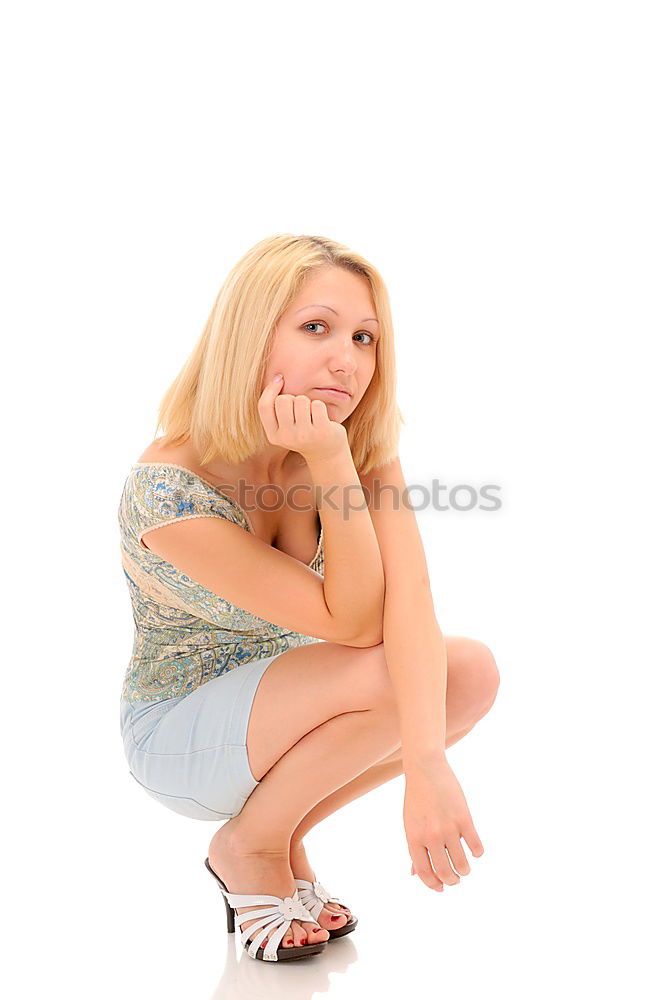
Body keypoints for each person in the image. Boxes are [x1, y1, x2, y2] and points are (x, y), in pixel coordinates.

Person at [118, 232, 500, 962]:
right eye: (316, 327)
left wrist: (429, 763)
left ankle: (273, 832)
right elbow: (357, 625)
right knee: (394, 671)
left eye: (364, 337)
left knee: (469, 672)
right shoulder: (167, 491)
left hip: (296, 714)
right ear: (250, 337)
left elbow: (409, 599)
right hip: (181, 737)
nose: (346, 359)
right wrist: (329, 463)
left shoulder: (356, 444)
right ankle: (253, 846)